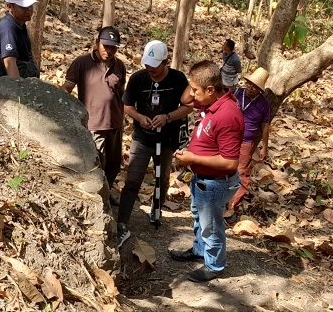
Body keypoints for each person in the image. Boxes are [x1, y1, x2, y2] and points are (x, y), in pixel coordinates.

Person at [171, 60, 244, 282]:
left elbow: (230, 163)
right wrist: (196, 77)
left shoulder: (227, 115)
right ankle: (199, 251)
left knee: (211, 227)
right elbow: (184, 100)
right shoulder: (211, 102)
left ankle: (214, 266)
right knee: (199, 218)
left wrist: (193, 158)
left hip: (215, 182)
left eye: (196, 89)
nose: (192, 94)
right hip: (201, 179)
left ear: (210, 90)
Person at [116, 40, 192, 248]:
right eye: (147, 65)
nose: (150, 70)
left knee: (163, 177)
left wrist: (168, 117)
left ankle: (156, 210)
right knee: (133, 178)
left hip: (166, 139)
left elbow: (188, 106)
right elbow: (127, 106)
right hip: (142, 138)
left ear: (165, 62)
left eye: (154, 66)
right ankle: (122, 222)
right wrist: (140, 118)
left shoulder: (177, 79)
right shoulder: (139, 79)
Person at [62, 26, 126, 204]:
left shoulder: (119, 66)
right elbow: (67, 88)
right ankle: (97, 197)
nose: (109, 50)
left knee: (114, 163)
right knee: (97, 162)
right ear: (97, 43)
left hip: (115, 123)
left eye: (113, 47)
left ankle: (108, 191)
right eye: (105, 46)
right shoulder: (82, 63)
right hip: (93, 124)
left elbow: (121, 93)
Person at [226, 67, 271, 223]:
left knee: (242, 174)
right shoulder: (236, 93)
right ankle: (217, 203)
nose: (251, 87)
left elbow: (265, 126)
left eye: (255, 86)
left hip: (246, 142)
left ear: (260, 90)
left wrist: (264, 146)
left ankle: (232, 208)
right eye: (250, 84)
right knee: (222, 169)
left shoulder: (264, 104)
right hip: (229, 138)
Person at [0, 0, 40, 78]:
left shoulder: (20, 25)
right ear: (9, 6)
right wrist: (18, 90)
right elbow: (10, 63)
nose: (28, 10)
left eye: (30, 6)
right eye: (23, 7)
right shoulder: (7, 28)